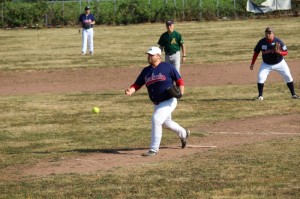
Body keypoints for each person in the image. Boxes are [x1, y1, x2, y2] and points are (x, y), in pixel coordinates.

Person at [125, 46, 190, 156]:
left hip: (169, 100)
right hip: (157, 103)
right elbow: (137, 84)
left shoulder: (167, 67)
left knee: (156, 119)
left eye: (151, 55)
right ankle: (183, 133)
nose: (149, 56)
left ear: (159, 56)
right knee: (166, 123)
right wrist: (131, 90)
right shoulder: (146, 71)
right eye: (148, 54)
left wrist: (181, 92)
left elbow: (179, 80)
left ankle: (153, 150)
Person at [250, 27, 300, 100]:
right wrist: (252, 63)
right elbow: (256, 53)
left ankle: (293, 95)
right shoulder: (261, 42)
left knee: (288, 76)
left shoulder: (278, 41)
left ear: (273, 34)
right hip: (266, 64)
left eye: (269, 33)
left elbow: (286, 52)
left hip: (279, 63)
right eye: (266, 33)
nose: (268, 34)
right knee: (260, 77)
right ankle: (260, 96)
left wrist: (280, 52)